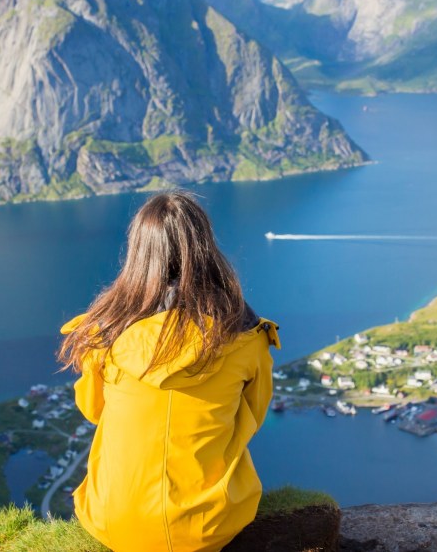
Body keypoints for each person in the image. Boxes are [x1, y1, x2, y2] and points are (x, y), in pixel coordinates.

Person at [57, 190, 280, 552]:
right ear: (206, 248)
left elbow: (94, 410)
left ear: (139, 252)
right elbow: (252, 417)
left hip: (114, 521)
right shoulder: (247, 337)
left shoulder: (104, 335)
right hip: (209, 525)